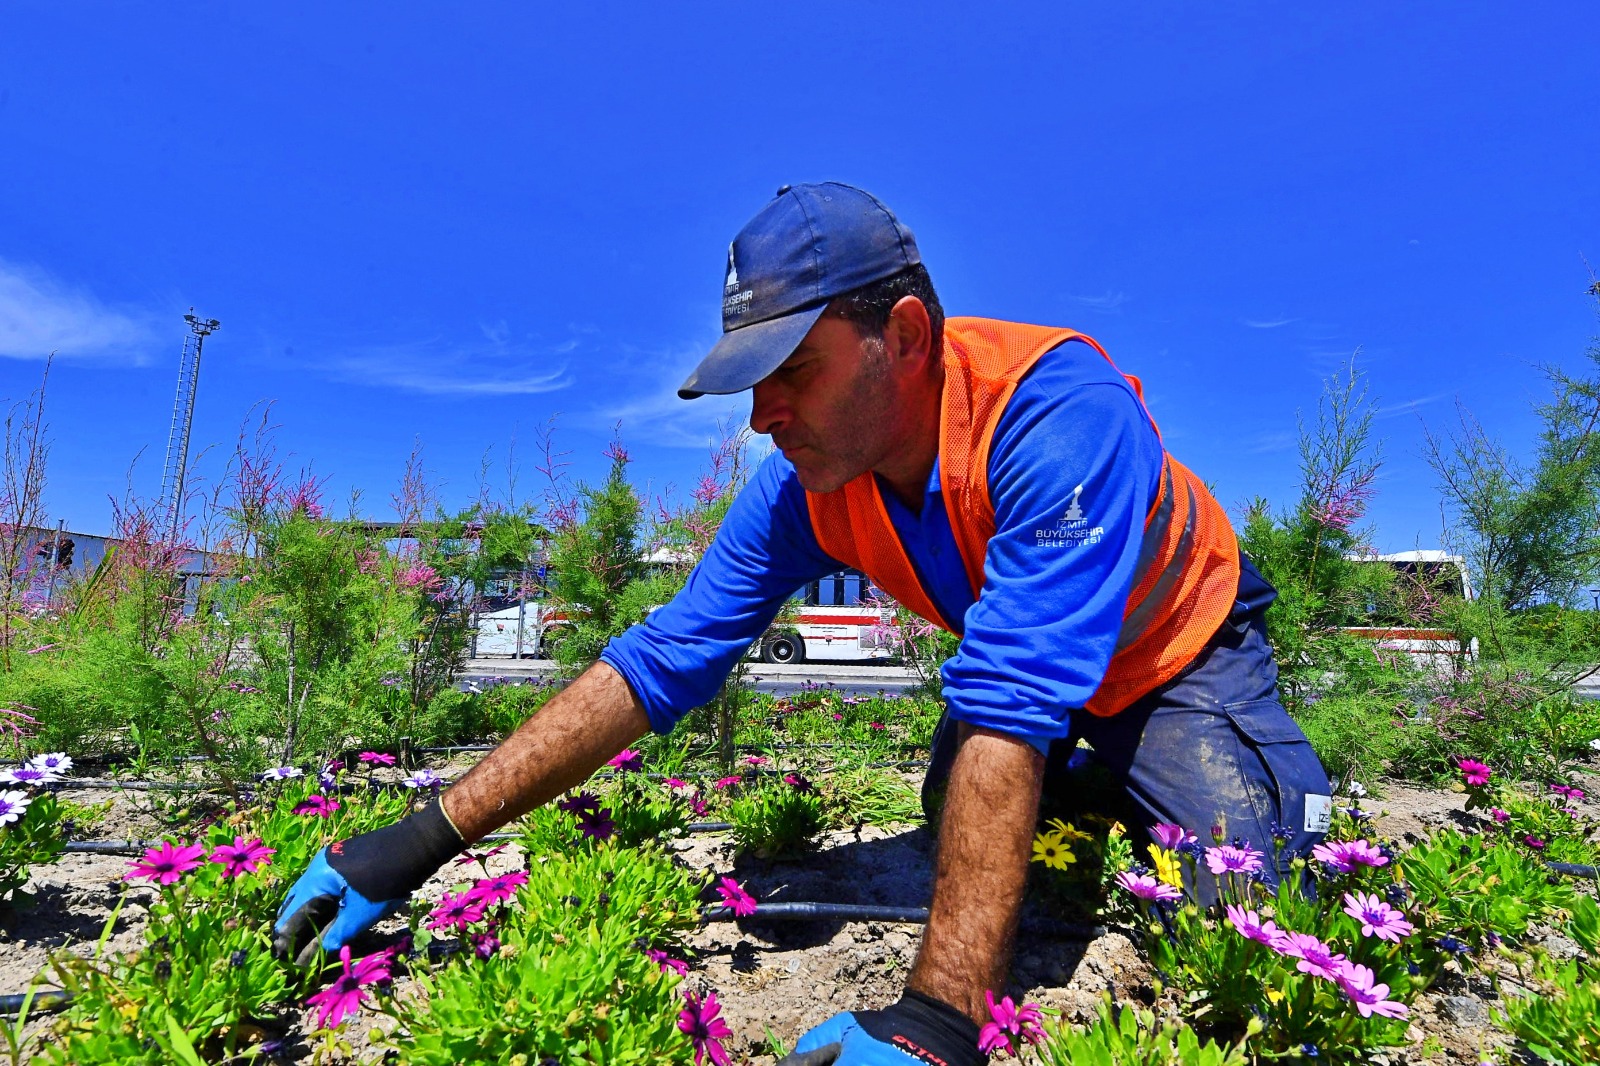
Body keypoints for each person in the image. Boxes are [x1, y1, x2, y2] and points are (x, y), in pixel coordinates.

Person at [276, 183, 1331, 1066]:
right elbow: (661, 659)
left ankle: (1170, 780)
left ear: (903, 336)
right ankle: (1094, 794)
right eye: (752, 381)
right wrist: (414, 842)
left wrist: (936, 1023)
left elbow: (1010, 694)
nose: (761, 415)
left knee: (1252, 917)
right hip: (1037, 683)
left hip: (1173, 659)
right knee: (962, 810)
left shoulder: (1050, 412)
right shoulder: (807, 487)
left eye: (793, 370)